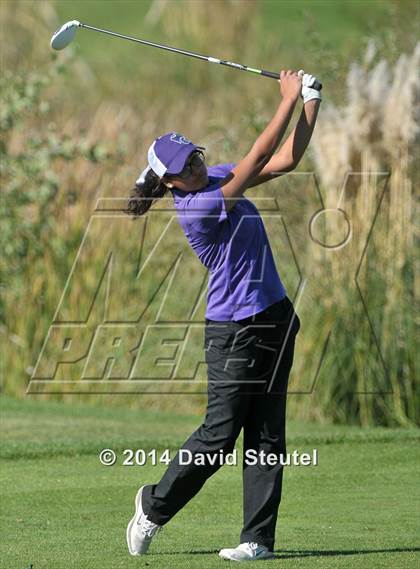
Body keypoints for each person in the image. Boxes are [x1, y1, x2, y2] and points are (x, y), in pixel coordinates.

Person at [125, 70, 321, 561]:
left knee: (267, 437)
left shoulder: (213, 177)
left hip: (274, 318)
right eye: (184, 166)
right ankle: (152, 507)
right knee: (218, 437)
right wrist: (287, 97)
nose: (194, 165)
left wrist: (311, 103)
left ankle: (257, 540)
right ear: (169, 182)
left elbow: (284, 160)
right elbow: (256, 155)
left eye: (194, 155)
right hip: (233, 333)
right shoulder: (197, 206)